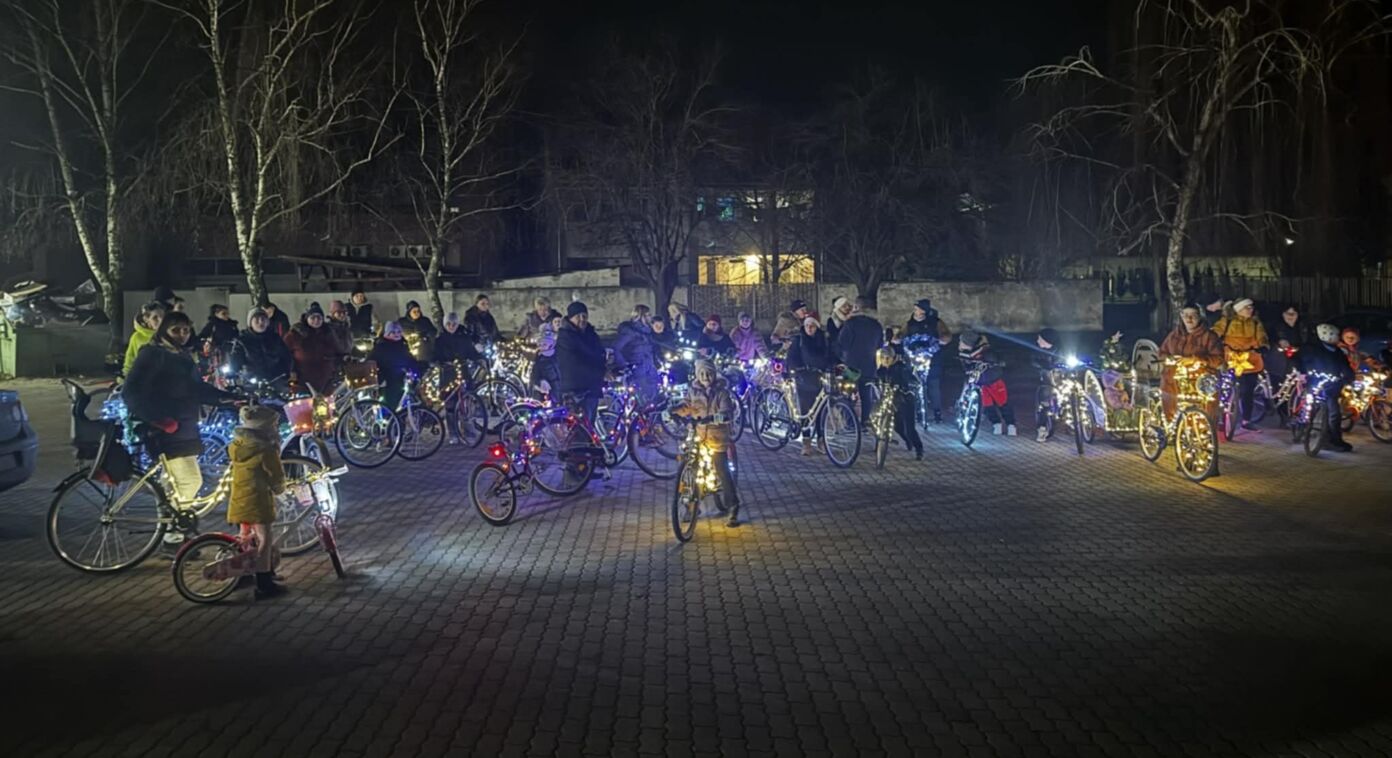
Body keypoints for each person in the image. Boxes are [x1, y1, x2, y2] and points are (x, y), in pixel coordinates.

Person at [123, 311, 237, 534]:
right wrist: (157, 419)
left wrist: (227, 398)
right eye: (176, 330)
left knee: (174, 484)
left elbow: (196, 389)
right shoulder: (153, 354)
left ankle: (171, 530)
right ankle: (174, 533)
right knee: (189, 481)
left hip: (183, 428)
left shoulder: (181, 355)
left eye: (186, 330)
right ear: (163, 330)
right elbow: (131, 392)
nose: (182, 334)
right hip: (166, 430)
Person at [226, 404, 288, 599]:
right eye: (274, 425)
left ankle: (243, 574)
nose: (276, 428)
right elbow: (276, 476)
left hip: (240, 498)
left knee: (246, 537)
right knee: (264, 539)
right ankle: (264, 582)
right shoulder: (266, 450)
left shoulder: (237, 445)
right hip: (257, 500)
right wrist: (280, 489)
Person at [672, 359, 742, 526]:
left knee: (721, 468)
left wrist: (718, 417)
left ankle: (733, 505)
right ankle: (691, 504)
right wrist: (674, 410)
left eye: (709, 373)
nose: (705, 377)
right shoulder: (693, 391)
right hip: (699, 435)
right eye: (702, 373)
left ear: (714, 374)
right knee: (690, 468)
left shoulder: (722, 392)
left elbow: (727, 411)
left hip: (717, 437)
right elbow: (686, 405)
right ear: (697, 375)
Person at [1157, 305, 1225, 419]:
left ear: (1199, 316)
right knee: (1172, 413)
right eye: (1186, 315)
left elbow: (1218, 359)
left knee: (1203, 416)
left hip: (1199, 384)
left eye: (1193, 315)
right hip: (1173, 381)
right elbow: (1161, 353)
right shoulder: (1174, 335)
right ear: (1181, 316)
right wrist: (1170, 358)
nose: (1189, 319)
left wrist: (1197, 359)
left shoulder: (1209, 336)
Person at [1213, 297, 1270, 431]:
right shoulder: (1226, 321)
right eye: (1247, 307)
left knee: (1248, 391)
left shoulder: (1255, 323)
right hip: (1230, 359)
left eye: (1251, 307)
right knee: (1225, 388)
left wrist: (1263, 346)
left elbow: (1262, 336)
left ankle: (1246, 420)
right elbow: (1215, 333)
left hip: (1250, 360)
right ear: (1238, 309)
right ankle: (1221, 417)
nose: (1250, 310)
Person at [1298, 323, 1356, 452]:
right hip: (1315, 382)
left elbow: (1345, 367)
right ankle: (1302, 427)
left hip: (1332, 386)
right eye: (1336, 335)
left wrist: (1349, 378)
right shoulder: (1312, 349)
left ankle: (1333, 440)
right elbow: (1304, 361)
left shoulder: (1338, 352)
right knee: (1309, 407)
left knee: (1334, 414)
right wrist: (1304, 373)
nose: (1338, 338)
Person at [786, 316, 836, 456]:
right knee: (805, 411)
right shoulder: (799, 340)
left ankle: (821, 440)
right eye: (807, 325)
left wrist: (832, 366)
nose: (809, 328)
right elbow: (792, 358)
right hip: (804, 378)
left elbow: (830, 355)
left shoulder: (823, 340)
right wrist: (798, 369)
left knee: (821, 410)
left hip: (820, 378)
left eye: (812, 325)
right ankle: (806, 441)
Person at [555, 301, 607, 423]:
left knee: (590, 423)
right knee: (579, 426)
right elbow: (574, 364)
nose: (582, 319)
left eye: (584, 316)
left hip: (591, 387)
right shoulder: (565, 337)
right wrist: (601, 373)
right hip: (576, 389)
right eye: (578, 316)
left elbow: (599, 353)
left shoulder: (590, 333)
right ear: (571, 318)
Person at [958, 330, 1016, 435]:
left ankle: (1011, 425)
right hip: (980, 383)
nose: (960, 344)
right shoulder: (964, 354)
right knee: (987, 405)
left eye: (962, 342)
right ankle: (996, 423)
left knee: (1003, 403)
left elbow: (994, 361)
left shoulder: (986, 351)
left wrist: (993, 363)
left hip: (993, 380)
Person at [835, 297, 883, 419]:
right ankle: (865, 420)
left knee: (848, 394)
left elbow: (842, 343)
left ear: (856, 307)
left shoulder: (851, 324)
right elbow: (880, 345)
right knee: (866, 395)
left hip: (852, 365)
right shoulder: (876, 325)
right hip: (869, 366)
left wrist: (841, 357)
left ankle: (849, 421)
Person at [875, 347, 924, 460]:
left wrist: (903, 386)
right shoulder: (882, 369)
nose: (885, 361)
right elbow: (878, 377)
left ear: (893, 358)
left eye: (888, 358)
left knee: (910, 428)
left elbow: (909, 379)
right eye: (883, 358)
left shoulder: (901, 367)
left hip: (905, 399)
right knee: (897, 426)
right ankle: (907, 440)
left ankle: (919, 449)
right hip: (892, 399)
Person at [902, 299, 944, 423]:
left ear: (924, 310)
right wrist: (898, 338)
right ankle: (918, 412)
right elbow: (901, 334)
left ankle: (937, 412)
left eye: (918, 309)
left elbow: (945, 334)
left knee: (933, 384)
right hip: (914, 357)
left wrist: (943, 339)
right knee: (914, 384)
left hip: (931, 357)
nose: (915, 311)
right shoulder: (910, 323)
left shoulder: (935, 322)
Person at [230, 308, 294, 389]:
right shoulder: (242, 341)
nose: (260, 322)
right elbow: (235, 363)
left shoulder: (275, 338)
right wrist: (241, 376)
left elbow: (286, 357)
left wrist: (285, 373)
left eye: (263, 319)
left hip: (276, 380)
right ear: (250, 323)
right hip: (252, 383)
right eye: (256, 320)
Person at [284, 303, 339, 393]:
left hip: (326, 378)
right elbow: (285, 353)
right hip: (303, 378)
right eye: (313, 317)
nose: (316, 320)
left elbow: (336, 350)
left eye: (319, 318)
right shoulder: (295, 334)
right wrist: (292, 370)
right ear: (307, 319)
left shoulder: (328, 333)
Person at [370, 321, 424, 410]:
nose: (396, 334)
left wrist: (419, 367)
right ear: (388, 333)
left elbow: (409, 359)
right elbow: (371, 361)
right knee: (390, 405)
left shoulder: (402, 345)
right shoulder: (381, 347)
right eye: (393, 332)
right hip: (387, 381)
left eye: (399, 332)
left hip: (401, 379)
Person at [614, 305, 659, 400]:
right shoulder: (630, 332)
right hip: (637, 370)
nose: (650, 318)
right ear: (641, 316)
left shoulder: (648, 331)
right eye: (648, 315)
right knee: (642, 399)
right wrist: (624, 365)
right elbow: (617, 348)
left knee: (653, 398)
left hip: (650, 369)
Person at [1032, 327, 1062, 442]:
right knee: (1044, 403)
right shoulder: (1037, 352)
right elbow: (1033, 362)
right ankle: (1042, 428)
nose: (1038, 340)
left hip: (1061, 379)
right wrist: (1043, 366)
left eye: (1040, 338)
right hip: (1047, 381)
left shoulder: (1060, 350)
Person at [123, 301, 166, 374]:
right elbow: (130, 361)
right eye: (155, 318)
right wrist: (125, 377)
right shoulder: (137, 337)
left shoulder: (168, 336)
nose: (160, 321)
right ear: (146, 319)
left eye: (163, 317)